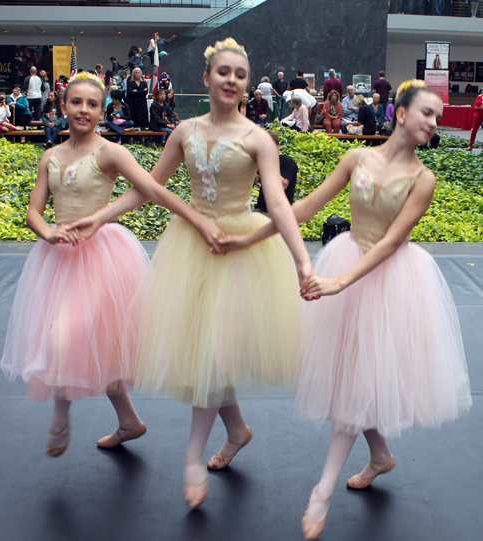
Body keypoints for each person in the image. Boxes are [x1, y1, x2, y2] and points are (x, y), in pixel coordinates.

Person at [67, 37, 313, 509]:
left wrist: (302, 260)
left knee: (212, 355)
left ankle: (193, 457)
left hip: (239, 252)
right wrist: (100, 215)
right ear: (205, 78)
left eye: (240, 74)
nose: (232, 81)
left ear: (248, 83)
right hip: (190, 248)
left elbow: (278, 201)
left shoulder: (258, 138)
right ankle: (236, 430)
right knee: (208, 353)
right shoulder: (183, 131)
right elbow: (149, 188)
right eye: (223, 72)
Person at [219, 80, 471, 540]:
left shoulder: (424, 178)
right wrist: (247, 237)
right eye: (428, 113)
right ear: (399, 112)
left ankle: (322, 492)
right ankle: (380, 456)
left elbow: (392, 242)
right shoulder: (356, 159)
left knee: (356, 385)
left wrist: (338, 282)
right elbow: (306, 209)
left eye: (438, 117)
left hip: (391, 280)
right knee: (357, 380)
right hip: (349, 265)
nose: (435, 124)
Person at [0, 71, 227, 460]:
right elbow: (34, 212)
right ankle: (129, 422)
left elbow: (152, 188)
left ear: (102, 108)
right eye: (76, 102)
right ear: (62, 104)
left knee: (64, 339)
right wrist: (49, 233)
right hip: (57, 259)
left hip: (101, 258)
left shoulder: (109, 152)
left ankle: (61, 413)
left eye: (92, 103)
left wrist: (198, 219)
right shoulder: (50, 157)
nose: (84, 110)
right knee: (99, 347)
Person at [254, 129, 298, 213]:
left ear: (277, 144)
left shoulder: (287, 161)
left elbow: (283, 185)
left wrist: (269, 163)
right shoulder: (264, 160)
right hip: (261, 208)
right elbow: (256, 179)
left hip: (278, 211)